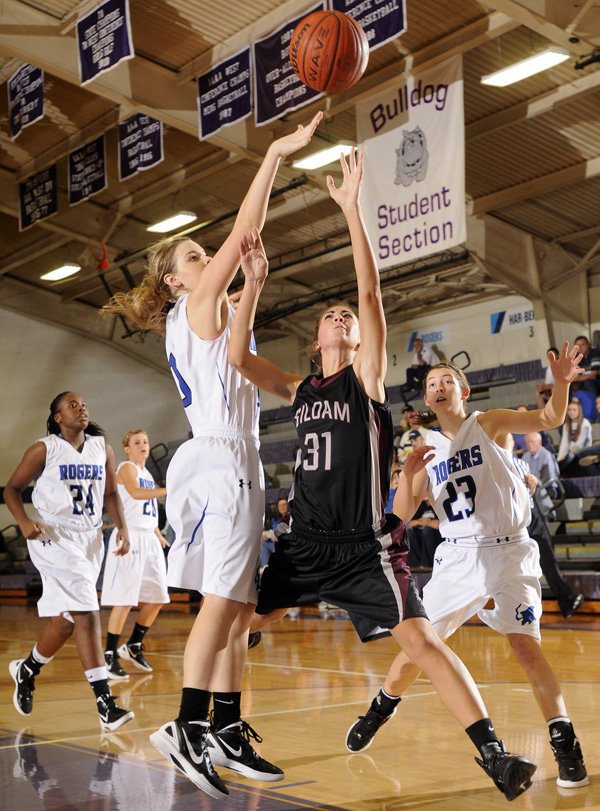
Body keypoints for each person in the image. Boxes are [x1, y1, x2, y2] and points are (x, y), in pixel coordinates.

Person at [228, 149, 537, 801]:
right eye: (331, 316)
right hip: (305, 543)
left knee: (422, 642)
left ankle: (496, 756)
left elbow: (369, 292)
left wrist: (352, 211)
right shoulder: (297, 385)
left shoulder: (363, 378)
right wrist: (251, 281)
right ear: (315, 339)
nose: (342, 316)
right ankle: (219, 725)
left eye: (348, 318)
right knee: (234, 628)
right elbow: (235, 354)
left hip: (366, 546)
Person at [101, 111, 322, 800]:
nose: (207, 262)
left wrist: (253, 283)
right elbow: (245, 229)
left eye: (204, 255)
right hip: (221, 458)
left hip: (238, 457)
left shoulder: (210, 311)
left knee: (237, 604)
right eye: (194, 256)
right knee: (221, 607)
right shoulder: (194, 301)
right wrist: (277, 153)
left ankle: (225, 726)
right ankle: (186, 725)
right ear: (174, 280)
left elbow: (240, 340)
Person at [346, 349, 588, 791]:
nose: (438, 386)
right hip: (459, 558)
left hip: (511, 552)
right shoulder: (424, 451)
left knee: (527, 647)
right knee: (416, 651)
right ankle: (381, 707)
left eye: (447, 380)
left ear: (464, 391)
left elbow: (550, 418)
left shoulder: (488, 423)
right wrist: (405, 478)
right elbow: (400, 515)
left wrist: (561, 383)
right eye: (432, 383)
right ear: (426, 398)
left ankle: (565, 742)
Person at [4, 392, 134, 732]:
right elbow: (12, 490)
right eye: (72, 405)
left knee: (65, 621)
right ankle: (106, 704)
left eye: (84, 403)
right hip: (53, 536)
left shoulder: (101, 446)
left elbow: (109, 492)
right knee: (88, 611)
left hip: (91, 538)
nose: (82, 407)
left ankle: (28, 669)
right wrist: (22, 521)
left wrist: (122, 527)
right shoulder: (43, 449)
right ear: (58, 417)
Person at [101, 428, 169, 679]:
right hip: (129, 537)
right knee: (125, 599)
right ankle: (109, 656)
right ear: (127, 448)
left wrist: (158, 533)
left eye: (145, 441)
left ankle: (133, 645)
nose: (143, 445)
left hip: (148, 538)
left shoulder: (147, 473)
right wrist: (167, 490)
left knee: (159, 596)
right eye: (137, 442)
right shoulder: (126, 468)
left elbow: (145, 507)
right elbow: (136, 494)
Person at [511, 440, 584, 620]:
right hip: (516, 520)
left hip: (528, 516)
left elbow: (534, 488)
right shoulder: (511, 462)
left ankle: (564, 599)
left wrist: (533, 482)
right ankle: (558, 599)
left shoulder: (520, 462)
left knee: (545, 560)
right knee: (529, 564)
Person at [557, 399, 593, 475]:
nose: (571, 412)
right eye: (569, 410)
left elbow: (580, 444)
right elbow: (564, 444)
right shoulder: (566, 425)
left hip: (583, 451)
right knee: (559, 459)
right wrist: (559, 459)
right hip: (571, 452)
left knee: (570, 457)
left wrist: (566, 456)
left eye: (574, 410)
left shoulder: (585, 424)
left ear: (579, 411)